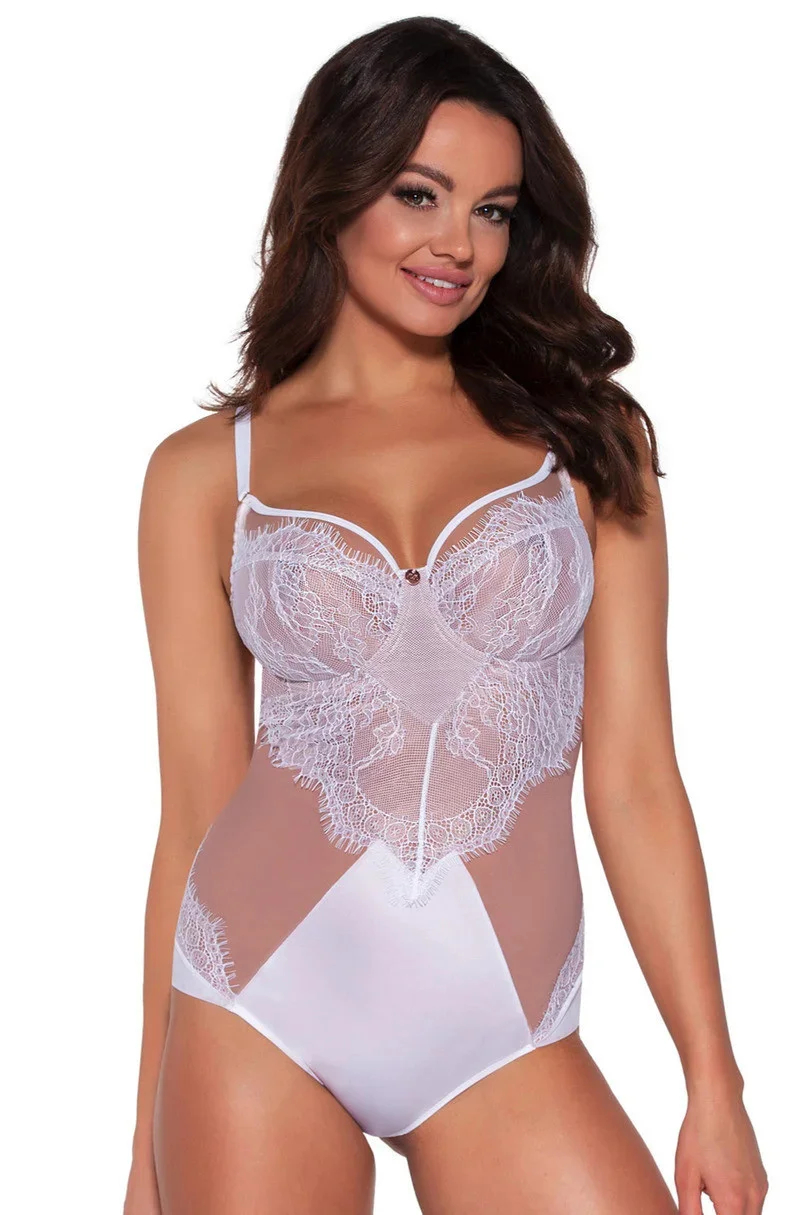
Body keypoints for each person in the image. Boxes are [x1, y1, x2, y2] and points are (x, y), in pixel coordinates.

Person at [126, 16, 768, 1215]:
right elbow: (195, 815)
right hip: (254, 1002)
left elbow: (635, 780)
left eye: (493, 210)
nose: (459, 245)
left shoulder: (585, 446)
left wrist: (712, 1079)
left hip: (502, 1033)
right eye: (419, 194)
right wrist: (143, 1147)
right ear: (334, 189)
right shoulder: (207, 475)